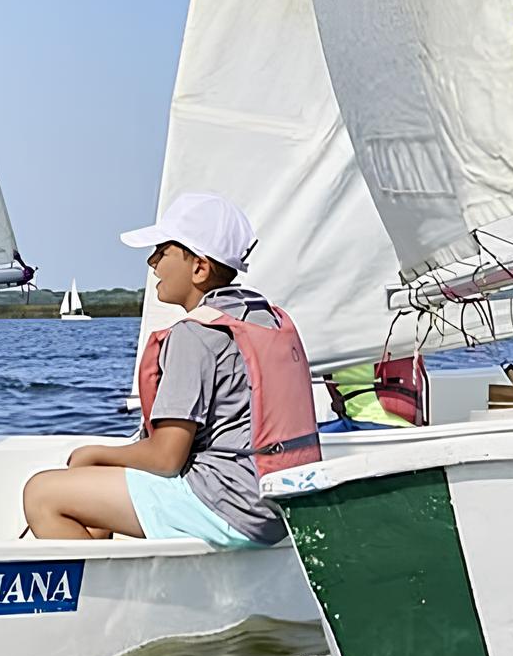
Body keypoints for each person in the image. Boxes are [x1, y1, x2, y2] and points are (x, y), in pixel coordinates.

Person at [21, 193, 320, 544]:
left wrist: (94, 454)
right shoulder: (264, 318)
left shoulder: (196, 334)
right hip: (278, 504)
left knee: (41, 494)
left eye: (162, 251)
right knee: (94, 484)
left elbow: (166, 458)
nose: (151, 262)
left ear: (199, 268)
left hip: (228, 505)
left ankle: (106, 581)